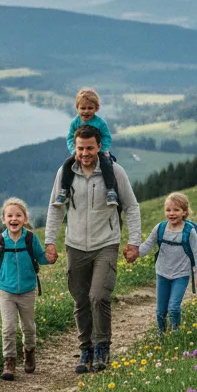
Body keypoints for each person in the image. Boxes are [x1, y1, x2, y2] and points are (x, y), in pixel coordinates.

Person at [44, 125, 141, 373]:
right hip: (74, 245)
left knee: (99, 296)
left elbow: (131, 206)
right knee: (80, 301)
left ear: (99, 147)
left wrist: (134, 242)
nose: (85, 153)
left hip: (106, 244)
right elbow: (56, 208)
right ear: (74, 148)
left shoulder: (114, 172)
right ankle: (85, 349)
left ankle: (101, 348)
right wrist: (50, 242)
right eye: (80, 148)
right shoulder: (66, 173)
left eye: (89, 148)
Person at [0, 197, 50, 381]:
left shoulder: (30, 238)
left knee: (28, 327)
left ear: (25, 219)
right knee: (8, 328)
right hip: (6, 291)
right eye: (9, 215)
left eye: (18, 215)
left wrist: (51, 257)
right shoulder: (1, 240)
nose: (14, 219)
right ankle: (9, 362)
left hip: (28, 290)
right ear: (4, 219)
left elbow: (41, 257)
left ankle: (29, 352)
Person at [138, 191, 197, 332]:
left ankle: (176, 334)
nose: (172, 213)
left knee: (174, 307)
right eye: (168, 210)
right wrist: (134, 253)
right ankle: (162, 335)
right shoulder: (160, 228)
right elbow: (147, 245)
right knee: (160, 310)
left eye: (176, 210)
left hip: (181, 275)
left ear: (185, 212)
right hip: (162, 273)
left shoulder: (189, 231)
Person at [54, 87, 120, 207]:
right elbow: (70, 137)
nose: (86, 111)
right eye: (83, 108)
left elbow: (106, 137)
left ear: (96, 108)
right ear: (77, 108)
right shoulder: (75, 123)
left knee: (106, 164)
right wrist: (74, 150)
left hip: (98, 150)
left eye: (90, 108)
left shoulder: (100, 123)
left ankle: (110, 190)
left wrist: (103, 149)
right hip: (80, 152)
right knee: (67, 164)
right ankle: (64, 190)